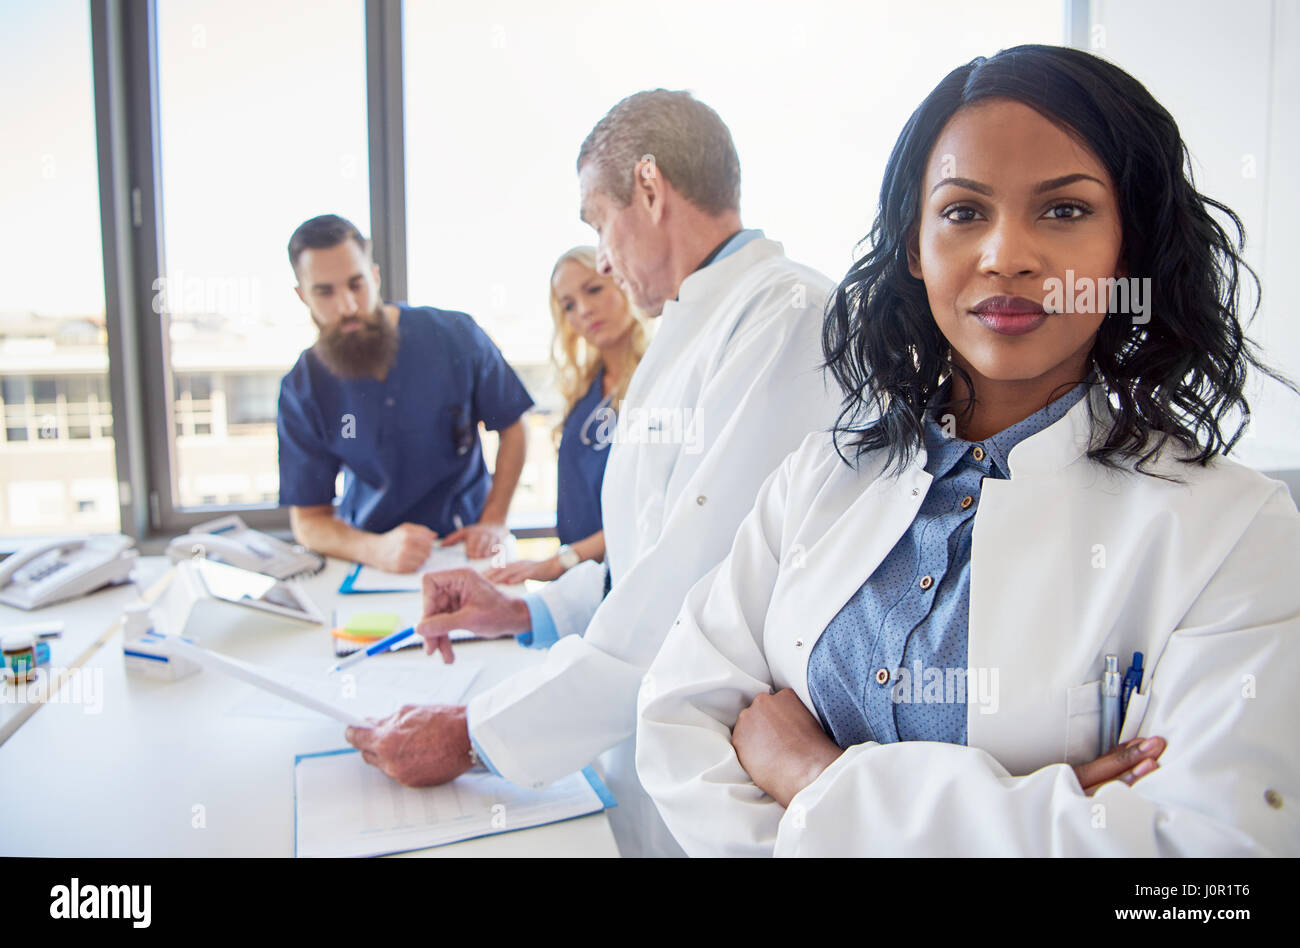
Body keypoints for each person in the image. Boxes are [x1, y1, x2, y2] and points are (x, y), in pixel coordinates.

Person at [636, 45, 1300, 857]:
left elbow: (1209, 860)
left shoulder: (1234, 531)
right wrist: (1029, 817)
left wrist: (815, 781)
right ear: (916, 247)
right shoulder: (821, 480)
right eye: (962, 211)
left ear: (1125, 251)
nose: (1006, 255)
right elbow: (678, 718)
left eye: (1064, 211)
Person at [346, 90, 842, 857]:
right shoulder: (697, 325)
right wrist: (526, 609)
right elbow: (644, 556)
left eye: (596, 220)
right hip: (650, 742)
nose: (602, 257)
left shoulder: (784, 319)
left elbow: (692, 593)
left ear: (650, 188)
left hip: (729, 769)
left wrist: (473, 733)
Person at [276, 214, 533, 572]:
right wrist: (375, 550)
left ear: (375, 277)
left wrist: (493, 519)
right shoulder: (303, 387)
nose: (347, 305)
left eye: (356, 284)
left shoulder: (455, 335)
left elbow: (514, 426)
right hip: (371, 555)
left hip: (465, 545)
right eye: (325, 292)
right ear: (303, 295)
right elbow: (308, 520)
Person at [484, 246, 649, 584]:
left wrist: (564, 561)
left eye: (594, 289)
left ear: (622, 283)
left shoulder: (658, 380)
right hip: (581, 581)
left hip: (629, 579)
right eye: (568, 305)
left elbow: (652, 509)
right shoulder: (586, 388)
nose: (584, 310)